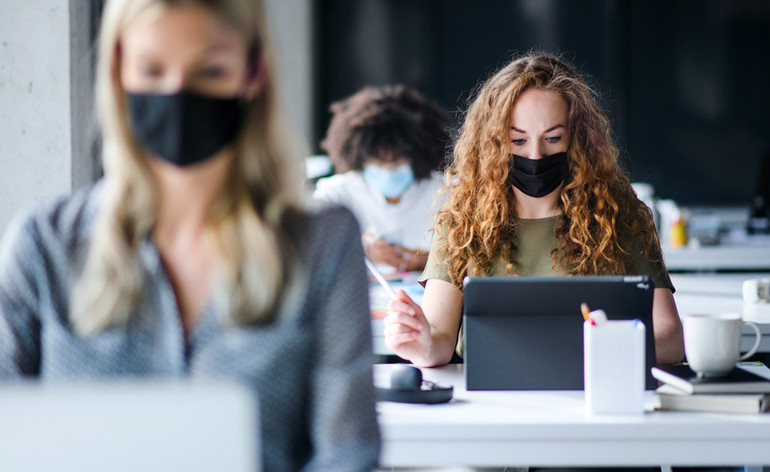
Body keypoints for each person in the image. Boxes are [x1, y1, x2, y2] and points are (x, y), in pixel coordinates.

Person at [0, 1, 379, 470]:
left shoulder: (323, 245)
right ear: (119, 70)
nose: (178, 93)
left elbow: (347, 455)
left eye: (210, 70)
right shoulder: (43, 247)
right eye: (152, 69)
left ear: (253, 71)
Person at [384, 52, 684, 368]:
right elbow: (439, 342)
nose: (536, 154)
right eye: (518, 140)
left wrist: (606, 348)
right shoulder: (462, 223)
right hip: (489, 407)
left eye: (553, 138)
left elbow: (671, 339)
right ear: (493, 142)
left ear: (578, 139)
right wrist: (418, 342)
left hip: (596, 400)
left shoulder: (621, 217)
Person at [313, 85, 451, 272]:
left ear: (418, 155)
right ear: (359, 156)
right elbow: (311, 253)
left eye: (397, 159)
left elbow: (474, 258)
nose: (388, 169)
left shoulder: (447, 191)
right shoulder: (335, 193)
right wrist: (360, 250)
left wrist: (428, 261)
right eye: (378, 161)